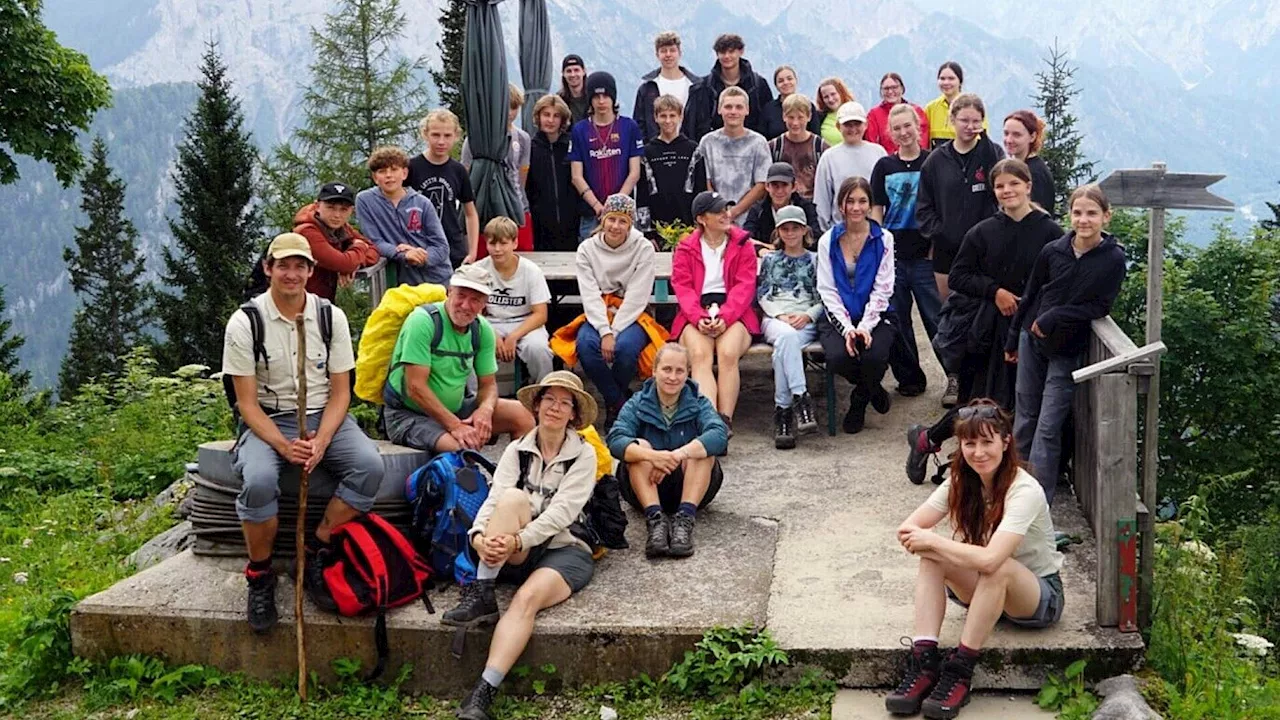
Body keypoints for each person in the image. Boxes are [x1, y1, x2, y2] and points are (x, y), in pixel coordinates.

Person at [222, 233, 384, 633]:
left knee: (369, 467)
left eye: (300, 266)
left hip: (323, 414)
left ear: (312, 271)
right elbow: (245, 402)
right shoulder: (246, 321)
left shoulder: (331, 317)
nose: (291, 274)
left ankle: (317, 546)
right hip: (268, 418)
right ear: (268, 269)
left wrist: (322, 440)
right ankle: (260, 575)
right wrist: (283, 445)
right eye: (283, 266)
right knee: (259, 480)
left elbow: (341, 391)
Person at [888, 400, 1065, 719]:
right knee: (932, 556)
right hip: (985, 587)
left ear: (1005, 442)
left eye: (987, 442)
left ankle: (960, 670)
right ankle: (924, 661)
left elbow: (991, 560)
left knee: (995, 565)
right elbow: (908, 528)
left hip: (1037, 596)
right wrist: (928, 543)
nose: (979, 452)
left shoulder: (1024, 489)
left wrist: (934, 540)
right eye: (970, 443)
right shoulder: (959, 481)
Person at [449, 371, 600, 720]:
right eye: (550, 399)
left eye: (565, 403)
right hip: (516, 547)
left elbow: (563, 513)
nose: (556, 408)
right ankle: (483, 590)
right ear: (537, 404)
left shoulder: (584, 455)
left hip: (564, 550)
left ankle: (482, 693)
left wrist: (518, 539)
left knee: (526, 600)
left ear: (574, 414)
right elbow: (495, 498)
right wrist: (479, 537)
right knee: (513, 497)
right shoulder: (516, 450)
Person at [905, 159, 1064, 485]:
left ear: (1028, 186)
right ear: (994, 191)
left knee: (1018, 403)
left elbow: (1057, 280)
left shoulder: (1049, 232)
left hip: (1028, 329)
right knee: (982, 403)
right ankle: (927, 440)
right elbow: (960, 276)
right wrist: (996, 292)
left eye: (1014, 184)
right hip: (987, 330)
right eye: (1001, 186)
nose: (1008, 191)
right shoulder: (983, 231)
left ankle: (1001, 470)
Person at [1006, 185, 1125, 502]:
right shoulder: (1053, 251)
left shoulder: (1112, 259)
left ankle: (1037, 500)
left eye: (1091, 213)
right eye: (1077, 212)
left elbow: (1100, 307)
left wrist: (1057, 315)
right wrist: (1013, 337)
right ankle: (1009, 489)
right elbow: (1031, 294)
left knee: (1049, 425)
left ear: (1105, 216)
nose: (1083, 220)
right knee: (1025, 417)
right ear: (1069, 215)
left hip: (1067, 349)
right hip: (1031, 341)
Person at [381, 264, 535, 455]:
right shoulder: (422, 322)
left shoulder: (482, 329)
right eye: (461, 296)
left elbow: (488, 385)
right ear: (449, 292)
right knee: (464, 448)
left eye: (475, 300)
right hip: (409, 415)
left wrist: (485, 410)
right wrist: (455, 425)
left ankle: (517, 479)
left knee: (523, 415)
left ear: (484, 303)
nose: (465, 305)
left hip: (458, 409)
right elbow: (415, 387)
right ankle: (468, 481)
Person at [917, 93, 1004, 407]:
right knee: (952, 317)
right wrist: (942, 233)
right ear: (952, 121)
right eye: (964, 120)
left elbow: (1002, 196)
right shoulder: (935, 162)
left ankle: (981, 382)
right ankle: (954, 379)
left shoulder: (992, 154)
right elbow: (923, 209)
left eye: (976, 121)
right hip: (947, 255)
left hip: (986, 254)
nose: (970, 126)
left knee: (982, 316)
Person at [608, 342, 728, 559]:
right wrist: (652, 456)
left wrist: (677, 455)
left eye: (679, 370)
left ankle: (685, 519)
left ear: (688, 374)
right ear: (654, 371)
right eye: (666, 369)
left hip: (691, 484)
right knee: (639, 446)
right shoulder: (637, 402)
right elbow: (615, 439)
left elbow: (719, 435)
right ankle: (655, 520)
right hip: (645, 486)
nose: (673, 377)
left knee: (703, 451)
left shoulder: (698, 401)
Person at [564, 194, 659, 425]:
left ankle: (613, 406)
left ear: (631, 224)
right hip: (599, 312)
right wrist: (604, 331)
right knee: (586, 347)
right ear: (603, 219)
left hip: (631, 314)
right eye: (612, 219)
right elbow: (589, 293)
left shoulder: (643, 248)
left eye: (623, 221)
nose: (616, 226)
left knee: (626, 350)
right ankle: (619, 403)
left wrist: (614, 333)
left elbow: (638, 295)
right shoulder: (587, 249)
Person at [671, 190, 760, 435]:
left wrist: (725, 317)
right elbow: (683, 287)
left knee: (728, 353)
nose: (725, 214)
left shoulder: (743, 244)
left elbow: (745, 286)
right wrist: (699, 318)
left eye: (726, 209)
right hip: (696, 312)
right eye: (718, 211)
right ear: (702, 218)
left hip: (734, 311)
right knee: (699, 355)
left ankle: (725, 420)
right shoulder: (685, 247)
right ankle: (710, 422)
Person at [816, 177, 897, 434]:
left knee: (875, 357)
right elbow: (826, 290)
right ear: (841, 205)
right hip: (839, 317)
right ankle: (873, 388)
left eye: (862, 201)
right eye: (850, 201)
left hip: (875, 315)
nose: (856, 207)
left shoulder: (884, 238)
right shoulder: (827, 241)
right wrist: (848, 329)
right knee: (839, 357)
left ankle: (860, 400)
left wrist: (864, 327)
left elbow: (884, 288)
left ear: (870, 205)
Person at [871, 104, 936, 397]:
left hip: (926, 254)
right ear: (890, 133)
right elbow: (877, 210)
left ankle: (956, 375)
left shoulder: (933, 163)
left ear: (917, 126)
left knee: (937, 318)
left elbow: (941, 207)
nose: (903, 132)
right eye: (896, 128)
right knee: (898, 320)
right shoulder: (884, 167)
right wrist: (879, 248)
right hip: (894, 255)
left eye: (907, 126)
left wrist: (937, 247)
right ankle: (910, 378)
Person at [757, 205, 822, 449]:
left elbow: (824, 296)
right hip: (775, 318)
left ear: (805, 230)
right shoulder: (770, 260)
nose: (791, 233)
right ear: (778, 231)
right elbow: (762, 294)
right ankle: (801, 398)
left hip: (805, 320)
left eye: (796, 228)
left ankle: (783, 413)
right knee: (786, 336)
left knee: (786, 345)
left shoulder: (816, 260)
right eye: (785, 228)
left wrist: (808, 315)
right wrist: (780, 315)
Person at [474, 217, 555, 383]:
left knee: (538, 349)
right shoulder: (478, 270)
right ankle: (475, 396)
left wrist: (513, 337)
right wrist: (492, 334)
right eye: (492, 244)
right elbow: (473, 311)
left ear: (514, 243)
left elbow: (540, 314)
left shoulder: (531, 271)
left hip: (525, 321)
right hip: (490, 322)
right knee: (471, 347)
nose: (497, 249)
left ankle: (543, 389)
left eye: (503, 243)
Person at [357, 146, 452, 286]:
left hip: (438, 279)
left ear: (404, 173)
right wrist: (401, 254)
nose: (389, 175)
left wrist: (421, 256)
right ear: (375, 177)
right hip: (402, 285)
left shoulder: (422, 203)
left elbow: (441, 246)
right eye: (382, 171)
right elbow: (374, 241)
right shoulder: (365, 201)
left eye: (394, 169)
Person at [568, 71, 644, 242]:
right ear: (590, 99)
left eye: (606, 96)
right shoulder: (580, 130)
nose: (601, 101)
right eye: (596, 97)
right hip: (591, 213)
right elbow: (576, 176)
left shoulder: (629, 127)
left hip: (623, 213)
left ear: (613, 97)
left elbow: (634, 173)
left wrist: (615, 206)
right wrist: (598, 207)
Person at [462, 84, 533, 255]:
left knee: (521, 256)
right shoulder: (474, 139)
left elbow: (522, 173)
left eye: (514, 107)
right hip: (484, 208)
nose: (510, 112)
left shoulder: (523, 138)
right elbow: (466, 170)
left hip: (517, 206)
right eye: (505, 107)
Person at [408, 109, 480, 268]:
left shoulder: (458, 170)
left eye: (447, 136)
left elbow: (470, 212)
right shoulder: (412, 167)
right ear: (425, 134)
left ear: (456, 136)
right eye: (435, 135)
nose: (441, 141)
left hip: (452, 248)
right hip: (419, 247)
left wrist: (473, 251)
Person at [691, 87, 772, 227]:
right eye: (728, 107)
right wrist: (718, 212)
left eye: (739, 107)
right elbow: (705, 181)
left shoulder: (759, 142)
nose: (733, 111)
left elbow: (761, 185)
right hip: (714, 219)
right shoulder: (707, 142)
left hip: (750, 221)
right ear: (719, 109)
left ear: (747, 110)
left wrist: (733, 213)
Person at [291, 182, 380, 301]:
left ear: (351, 211)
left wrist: (353, 263)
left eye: (343, 209)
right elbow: (345, 263)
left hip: (318, 302)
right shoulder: (307, 232)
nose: (337, 215)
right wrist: (357, 249)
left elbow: (374, 251)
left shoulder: (341, 228)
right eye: (330, 208)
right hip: (293, 302)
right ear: (317, 206)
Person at [814, 101, 887, 231]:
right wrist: (828, 232)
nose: (853, 129)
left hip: (873, 231)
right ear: (838, 126)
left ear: (865, 125)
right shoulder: (829, 157)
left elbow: (885, 194)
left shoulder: (878, 153)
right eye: (847, 125)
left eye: (857, 124)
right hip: (840, 231)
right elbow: (822, 200)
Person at [638, 94, 705, 231]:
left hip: (689, 227)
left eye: (672, 115)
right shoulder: (646, 152)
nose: (668, 121)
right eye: (663, 116)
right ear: (655, 118)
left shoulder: (693, 150)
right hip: (657, 228)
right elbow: (642, 194)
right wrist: (646, 232)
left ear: (680, 117)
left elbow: (701, 189)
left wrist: (700, 227)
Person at [686, 33, 774, 137]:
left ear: (741, 52)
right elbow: (691, 125)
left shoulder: (758, 85)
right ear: (717, 54)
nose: (727, 56)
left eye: (731, 52)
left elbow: (769, 120)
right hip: (713, 148)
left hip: (750, 147)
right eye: (722, 52)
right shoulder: (703, 87)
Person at [526, 94, 578, 251]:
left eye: (556, 116)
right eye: (546, 115)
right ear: (538, 117)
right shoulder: (530, 147)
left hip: (572, 222)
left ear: (563, 120)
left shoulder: (572, 145)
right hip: (540, 224)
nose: (550, 120)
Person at [633, 31, 702, 141]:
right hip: (655, 152)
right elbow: (639, 124)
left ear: (679, 53)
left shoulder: (695, 86)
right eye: (663, 51)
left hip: (689, 149)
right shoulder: (648, 88)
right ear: (657, 55)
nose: (668, 55)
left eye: (672, 50)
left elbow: (702, 123)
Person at [766, 93, 829, 202]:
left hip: (812, 206)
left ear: (809, 117)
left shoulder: (820, 148)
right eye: (791, 117)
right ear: (784, 116)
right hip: (782, 206)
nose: (795, 123)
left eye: (800, 117)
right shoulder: (774, 147)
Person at [743, 161, 821, 247]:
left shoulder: (806, 207)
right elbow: (746, 238)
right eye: (775, 185)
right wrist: (761, 249)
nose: (779, 191)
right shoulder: (758, 210)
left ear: (794, 187)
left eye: (784, 185)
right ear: (767, 186)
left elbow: (815, 238)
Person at [924, 61, 988, 150]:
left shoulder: (973, 106)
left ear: (960, 81)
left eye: (951, 78)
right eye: (942, 78)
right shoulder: (931, 108)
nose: (946, 82)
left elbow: (981, 138)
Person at [1002, 110, 1056, 216]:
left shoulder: (1035, 173)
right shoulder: (1023, 168)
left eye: (1016, 135)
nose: (1009, 140)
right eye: (1006, 133)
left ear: (1032, 137)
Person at [865, 72, 930, 155]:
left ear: (902, 89)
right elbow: (871, 145)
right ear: (881, 91)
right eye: (886, 88)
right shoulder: (874, 115)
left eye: (894, 87)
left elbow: (923, 141)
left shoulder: (917, 111)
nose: (890, 91)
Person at [759, 65, 822, 141]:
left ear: (796, 81)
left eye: (789, 79)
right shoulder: (769, 109)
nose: (785, 82)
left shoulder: (808, 105)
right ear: (776, 86)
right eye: (780, 81)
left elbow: (816, 135)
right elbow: (762, 138)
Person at [813, 77, 856, 148]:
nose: (830, 99)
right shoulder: (819, 118)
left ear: (841, 93)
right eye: (826, 97)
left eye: (833, 94)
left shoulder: (854, 113)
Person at [557, 54, 590, 123]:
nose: (573, 74)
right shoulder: (559, 101)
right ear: (563, 74)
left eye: (576, 70)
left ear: (583, 72)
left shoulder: (593, 98)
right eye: (569, 71)